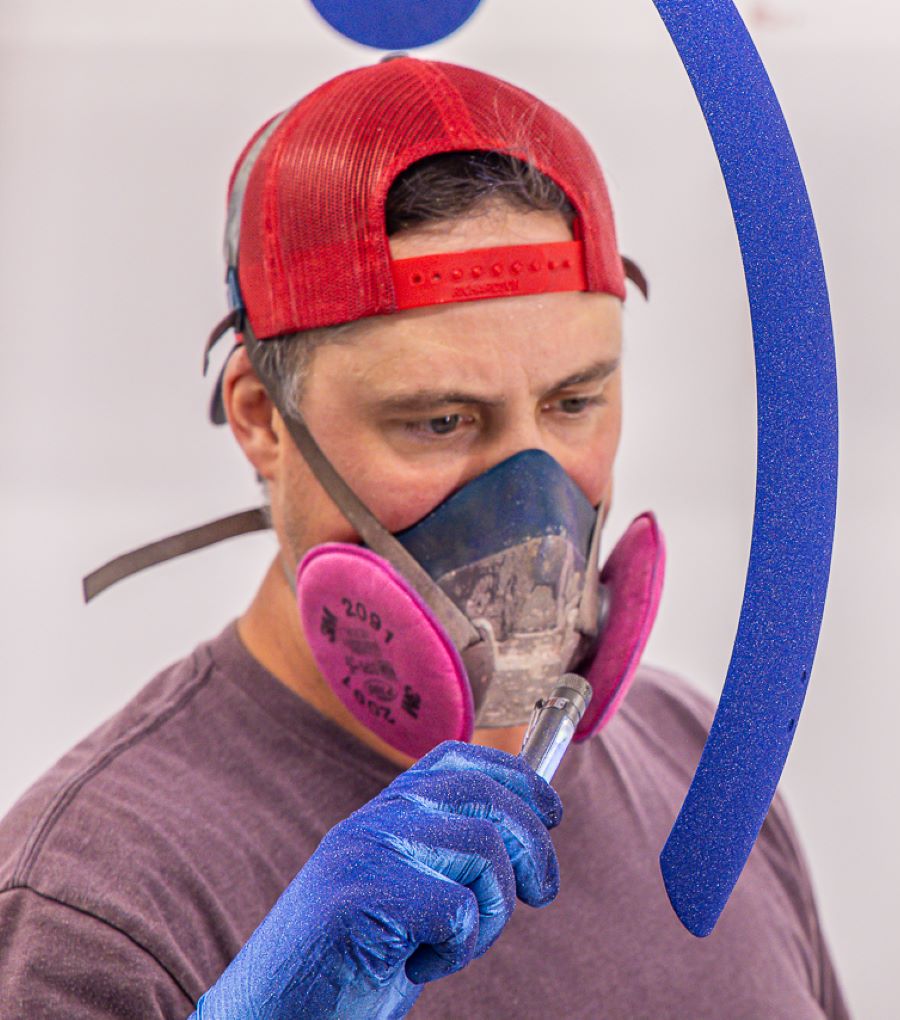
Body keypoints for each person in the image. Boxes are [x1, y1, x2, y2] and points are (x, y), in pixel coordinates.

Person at [0, 56, 847, 1018]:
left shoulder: (696, 770)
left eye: (574, 403)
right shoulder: (93, 900)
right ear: (261, 421)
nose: (536, 495)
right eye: (440, 422)